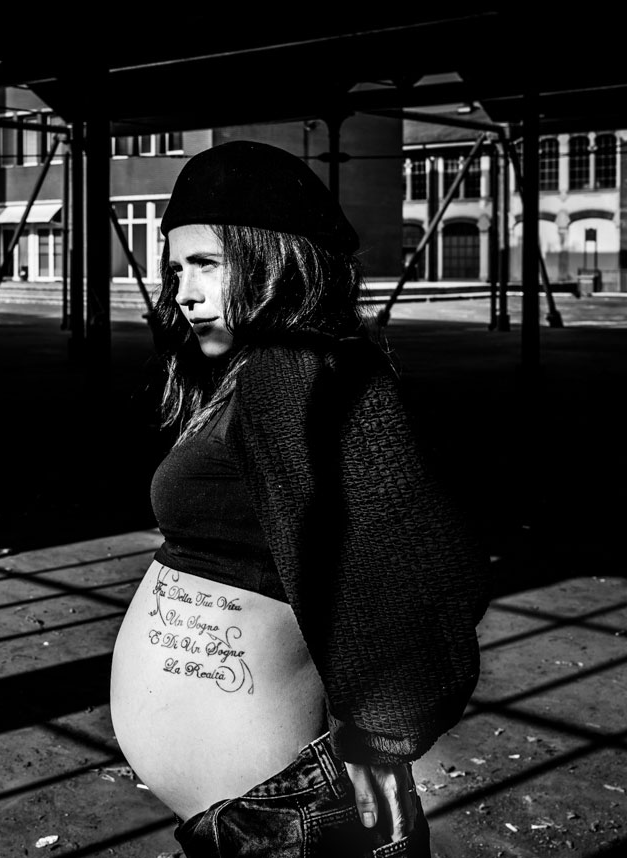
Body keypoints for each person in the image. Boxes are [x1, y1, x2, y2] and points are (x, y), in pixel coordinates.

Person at [109, 140, 491, 858]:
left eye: (207, 263)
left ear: (273, 259)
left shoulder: (298, 371)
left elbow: (426, 560)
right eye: (176, 269)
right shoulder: (251, 375)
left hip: (292, 815)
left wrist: (381, 736)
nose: (184, 292)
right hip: (263, 815)